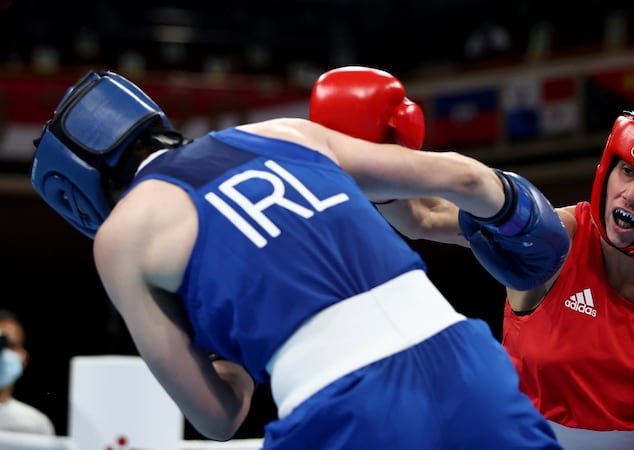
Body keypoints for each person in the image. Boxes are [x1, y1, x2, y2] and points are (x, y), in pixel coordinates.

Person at [28, 68, 564, 449]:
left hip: (344, 407)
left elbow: (218, 416)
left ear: (76, 195)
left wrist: (222, 343)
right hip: (472, 364)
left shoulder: (122, 238)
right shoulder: (283, 132)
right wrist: (520, 219)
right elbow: (465, 178)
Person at [362, 92, 634, 450]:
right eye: (627, 171)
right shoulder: (553, 239)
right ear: (608, 168)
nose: (632, 194)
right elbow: (422, 218)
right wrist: (374, 149)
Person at [0, 309, 56, 435]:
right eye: (0, 345)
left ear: (24, 359)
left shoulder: (35, 425)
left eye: (11, 346)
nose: (2, 353)